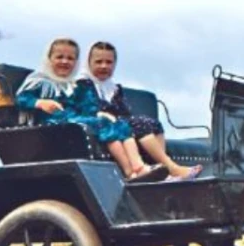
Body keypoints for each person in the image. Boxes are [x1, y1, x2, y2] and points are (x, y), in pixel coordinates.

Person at [16, 38, 156, 180]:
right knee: (102, 124)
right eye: (59, 57)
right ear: (49, 59)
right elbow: (21, 99)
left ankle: (138, 166)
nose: (65, 62)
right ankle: (128, 170)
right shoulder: (40, 81)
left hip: (73, 118)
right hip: (53, 122)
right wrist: (40, 102)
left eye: (70, 58)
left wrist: (99, 113)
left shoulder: (73, 85)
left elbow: (85, 107)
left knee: (119, 123)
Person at [80, 41, 203, 180]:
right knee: (139, 124)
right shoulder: (83, 85)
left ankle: (161, 169)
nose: (104, 66)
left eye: (109, 62)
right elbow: (85, 109)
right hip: (103, 125)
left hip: (120, 123)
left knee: (153, 123)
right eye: (99, 61)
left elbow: (125, 111)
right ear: (89, 62)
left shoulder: (114, 89)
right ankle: (172, 168)